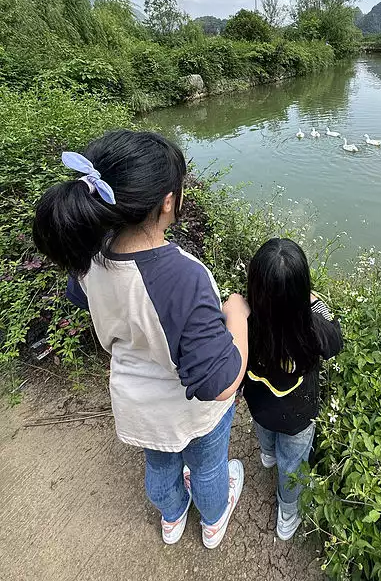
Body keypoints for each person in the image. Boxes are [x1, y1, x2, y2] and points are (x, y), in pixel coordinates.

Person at [32, 129, 249, 549]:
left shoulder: (91, 256)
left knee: (161, 466)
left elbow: (82, 297)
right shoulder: (184, 277)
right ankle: (214, 520)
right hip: (189, 412)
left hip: (137, 406)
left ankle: (172, 518)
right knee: (207, 468)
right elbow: (219, 385)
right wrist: (237, 316)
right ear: (169, 201)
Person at [243, 238, 343, 540]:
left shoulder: (243, 322)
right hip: (299, 416)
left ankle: (267, 455)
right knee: (294, 466)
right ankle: (287, 515)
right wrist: (315, 301)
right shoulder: (314, 327)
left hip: (260, 407)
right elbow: (336, 340)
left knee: (267, 437)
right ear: (302, 290)